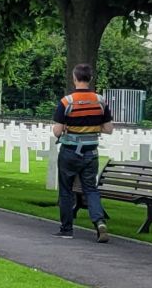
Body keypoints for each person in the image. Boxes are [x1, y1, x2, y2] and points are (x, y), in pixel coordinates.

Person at [51, 64, 113, 243]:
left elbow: (57, 131)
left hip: (70, 151)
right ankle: (99, 222)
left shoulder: (66, 102)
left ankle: (66, 229)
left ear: (75, 78)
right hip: (91, 153)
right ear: (90, 79)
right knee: (91, 189)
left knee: (66, 191)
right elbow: (109, 129)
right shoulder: (100, 101)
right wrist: (93, 127)